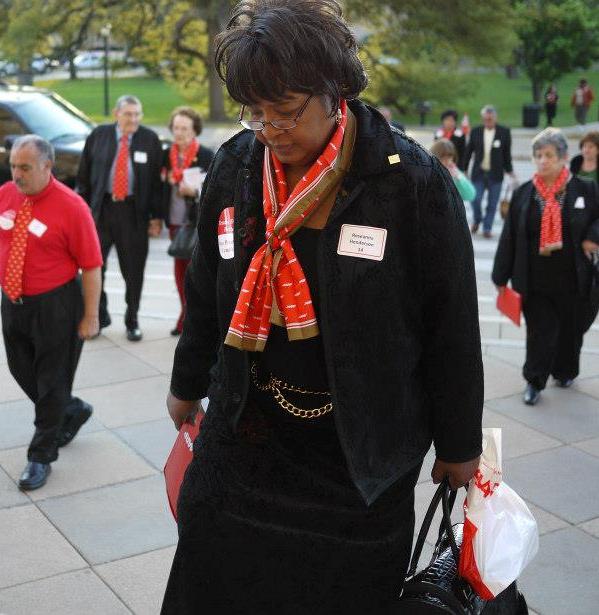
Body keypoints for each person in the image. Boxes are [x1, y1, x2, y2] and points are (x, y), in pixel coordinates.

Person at [162, 1, 483, 613]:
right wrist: (186, 382)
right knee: (212, 569)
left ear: (335, 91)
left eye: (285, 113)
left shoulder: (406, 180)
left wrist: (458, 443)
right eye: (254, 113)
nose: (268, 130)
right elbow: (206, 290)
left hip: (359, 458)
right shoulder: (234, 166)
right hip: (248, 433)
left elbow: (452, 327)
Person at [0, 135, 102, 490]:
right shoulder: (6, 195)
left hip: (56, 306)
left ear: (47, 166)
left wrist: (90, 316)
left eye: (24, 167)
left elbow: (91, 266)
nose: (17, 174)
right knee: (22, 371)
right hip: (13, 304)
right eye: (13, 165)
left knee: (52, 381)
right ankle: (71, 409)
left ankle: (40, 456)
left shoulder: (72, 207)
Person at [492, 128, 599, 406]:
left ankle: (565, 371)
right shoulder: (525, 193)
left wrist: (592, 238)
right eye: (538, 155)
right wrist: (500, 275)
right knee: (539, 332)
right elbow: (510, 237)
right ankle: (534, 380)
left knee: (570, 330)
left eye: (549, 155)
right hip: (535, 279)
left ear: (563, 157)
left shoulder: (586, 190)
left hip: (574, 277)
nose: (543, 160)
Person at [76, 94, 163, 342]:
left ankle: (132, 320)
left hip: (133, 213)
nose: (133, 119)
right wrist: (82, 214)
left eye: (137, 114)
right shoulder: (98, 136)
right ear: (117, 114)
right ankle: (99, 317)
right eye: (128, 114)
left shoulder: (149, 139)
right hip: (101, 211)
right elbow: (83, 179)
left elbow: (157, 184)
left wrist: (156, 217)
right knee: (94, 268)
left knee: (133, 271)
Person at [162, 107, 214, 336]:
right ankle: (185, 315)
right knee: (179, 269)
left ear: (195, 131)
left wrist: (193, 191)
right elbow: (157, 188)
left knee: (195, 273)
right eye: (176, 128)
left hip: (196, 222)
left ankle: (191, 320)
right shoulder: (165, 155)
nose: (179, 133)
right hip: (175, 221)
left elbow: (213, 189)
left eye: (184, 128)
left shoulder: (205, 155)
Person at [464, 104, 516, 238]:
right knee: (475, 198)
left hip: (496, 174)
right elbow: (468, 152)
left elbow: (506, 154)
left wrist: (510, 172)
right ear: (483, 119)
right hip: (479, 173)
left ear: (495, 118)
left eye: (491, 119)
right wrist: (464, 169)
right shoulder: (476, 131)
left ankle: (487, 227)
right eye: (486, 119)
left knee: (493, 204)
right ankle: (477, 220)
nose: (488, 121)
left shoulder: (504, 132)